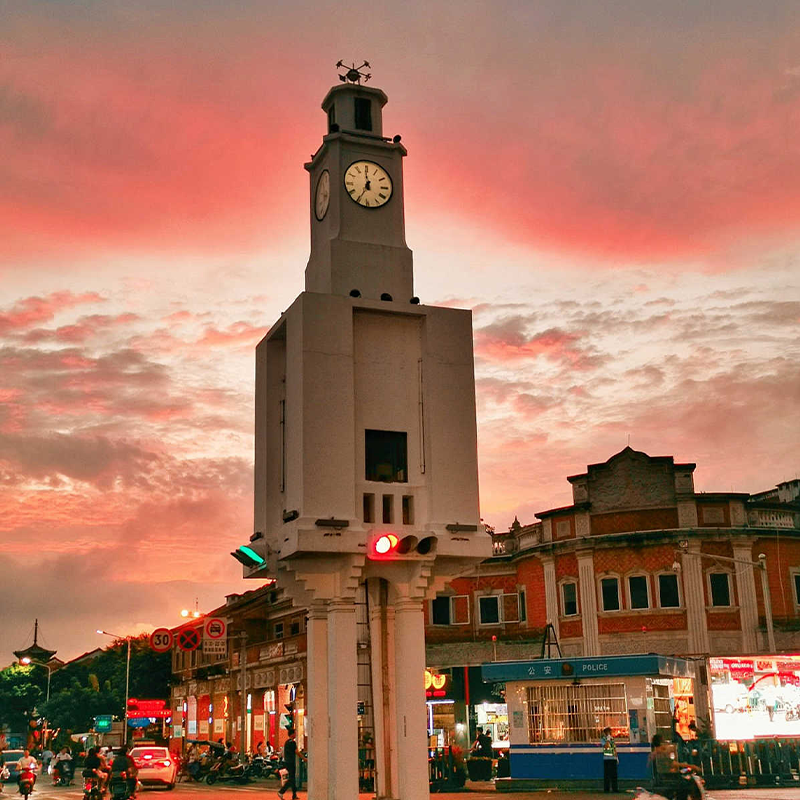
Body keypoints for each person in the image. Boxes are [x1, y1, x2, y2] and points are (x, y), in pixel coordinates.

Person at [277, 729, 306, 800]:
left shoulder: (287, 742)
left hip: (287, 762)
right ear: (292, 734)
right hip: (291, 762)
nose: (295, 734)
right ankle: (281, 791)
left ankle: (294, 795)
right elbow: (297, 752)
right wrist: (303, 758)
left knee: (292, 779)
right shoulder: (292, 743)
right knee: (291, 779)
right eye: (295, 733)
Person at [601, 727, 618, 793]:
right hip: (607, 759)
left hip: (613, 758)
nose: (611, 733)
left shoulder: (612, 739)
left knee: (614, 775)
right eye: (610, 732)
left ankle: (615, 789)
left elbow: (614, 748)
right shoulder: (603, 739)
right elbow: (606, 746)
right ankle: (606, 789)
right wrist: (608, 740)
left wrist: (616, 757)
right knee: (607, 775)